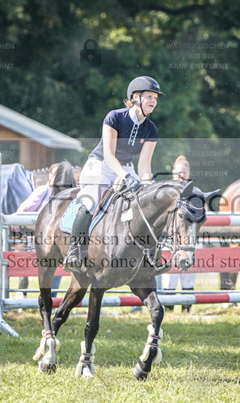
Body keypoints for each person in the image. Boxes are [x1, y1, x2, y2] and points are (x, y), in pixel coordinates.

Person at [63, 76, 164, 273]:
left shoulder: (151, 129)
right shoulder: (115, 117)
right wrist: (125, 178)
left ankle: (149, 256)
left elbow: (144, 164)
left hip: (127, 168)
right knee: (91, 201)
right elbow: (109, 155)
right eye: (149, 96)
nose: (153, 101)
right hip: (100, 166)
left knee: (145, 204)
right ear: (135, 97)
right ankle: (74, 252)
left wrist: (146, 185)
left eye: (155, 98)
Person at [15, 164, 63, 299]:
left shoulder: (64, 194)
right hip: (34, 238)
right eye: (55, 174)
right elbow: (23, 209)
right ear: (50, 175)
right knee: (27, 267)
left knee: (57, 269)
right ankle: (21, 295)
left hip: (54, 241)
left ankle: (52, 299)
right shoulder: (43, 190)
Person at [162, 156, 198, 313]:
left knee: (188, 273)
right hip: (169, 238)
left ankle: (186, 309)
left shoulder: (195, 191)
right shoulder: (166, 190)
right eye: (179, 172)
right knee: (169, 274)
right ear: (173, 172)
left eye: (184, 172)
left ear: (189, 173)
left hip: (188, 237)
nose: (181, 175)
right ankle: (168, 309)